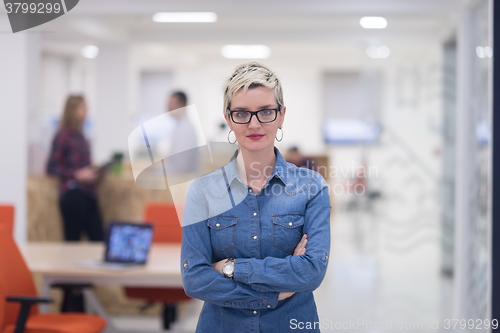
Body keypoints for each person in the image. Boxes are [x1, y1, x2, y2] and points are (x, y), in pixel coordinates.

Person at [181, 62, 331, 332]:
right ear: (228, 118)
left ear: (281, 115)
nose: (254, 124)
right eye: (242, 113)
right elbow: (195, 278)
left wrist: (229, 267)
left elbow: (311, 272)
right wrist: (273, 293)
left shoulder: (311, 187)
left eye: (265, 112)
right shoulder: (203, 191)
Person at [47, 95, 104, 242]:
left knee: (99, 240)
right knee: (72, 242)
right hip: (73, 195)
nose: (86, 112)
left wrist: (94, 172)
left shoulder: (81, 136)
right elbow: (51, 167)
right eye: (83, 108)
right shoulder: (63, 136)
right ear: (73, 110)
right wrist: (76, 175)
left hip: (88, 194)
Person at [166, 90, 199, 174]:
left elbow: (180, 167)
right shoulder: (180, 126)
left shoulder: (185, 129)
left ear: (182, 105)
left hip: (182, 181)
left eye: (172, 103)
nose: (168, 107)